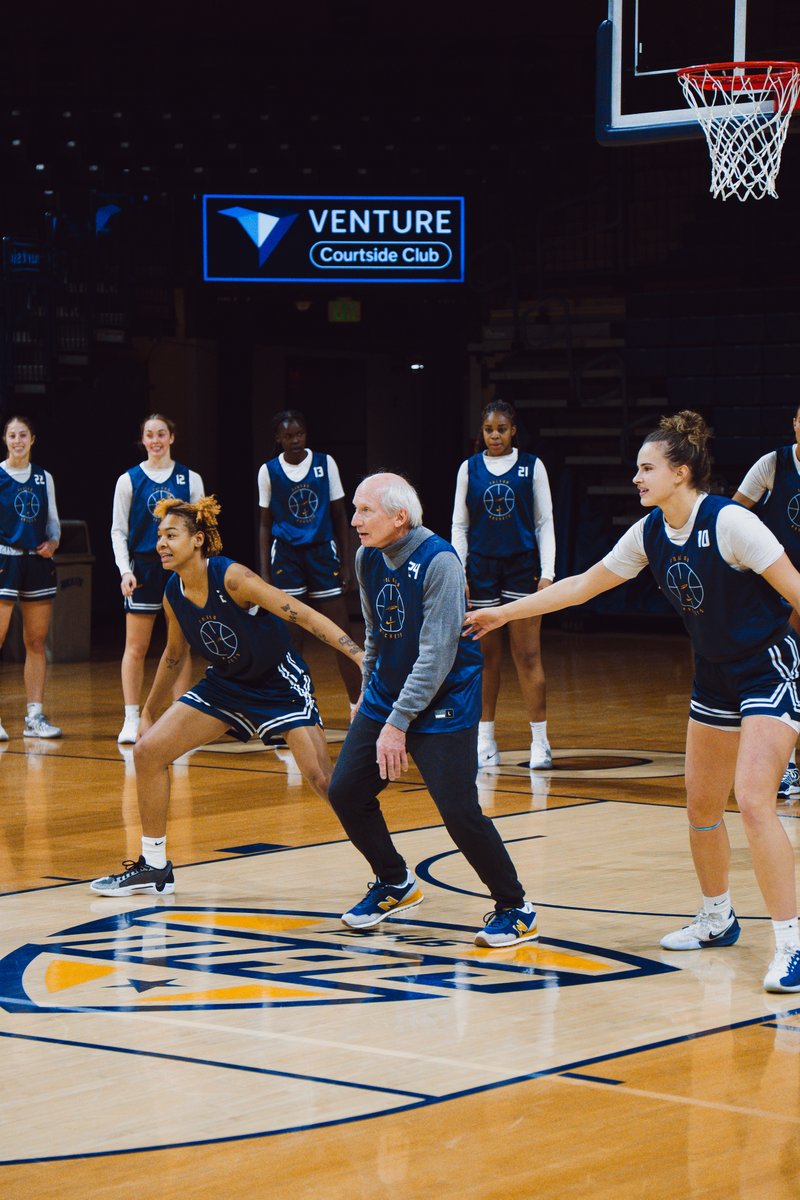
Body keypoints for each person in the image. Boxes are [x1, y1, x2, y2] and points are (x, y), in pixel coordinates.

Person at [464, 411, 800, 993]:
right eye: (637, 468)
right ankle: (717, 919)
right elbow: (580, 586)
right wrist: (505, 611)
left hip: (767, 666)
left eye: (647, 468)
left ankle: (792, 943)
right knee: (700, 807)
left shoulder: (731, 524)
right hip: (714, 676)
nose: (636, 478)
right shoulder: (648, 532)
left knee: (752, 801)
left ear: (682, 472)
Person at [91, 495, 364, 896]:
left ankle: (389, 869)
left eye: (171, 535)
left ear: (198, 540)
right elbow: (173, 655)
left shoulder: (233, 578)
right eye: (159, 536)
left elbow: (301, 614)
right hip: (228, 685)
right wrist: (147, 712)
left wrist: (358, 656)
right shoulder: (173, 592)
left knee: (323, 780)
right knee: (147, 752)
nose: (161, 544)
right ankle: (153, 865)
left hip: (278, 683)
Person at [327, 471, 537, 948]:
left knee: (459, 811)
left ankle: (516, 907)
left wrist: (397, 723)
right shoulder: (367, 558)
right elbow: (377, 634)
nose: (355, 520)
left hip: (444, 696)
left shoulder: (439, 560)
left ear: (400, 518)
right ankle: (395, 881)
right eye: (356, 509)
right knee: (346, 792)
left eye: (366, 511)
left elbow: (437, 653)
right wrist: (368, 696)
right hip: (389, 693)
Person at [451, 399, 555, 770]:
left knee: (527, 655)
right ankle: (485, 741)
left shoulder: (532, 467)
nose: (495, 435)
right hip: (480, 568)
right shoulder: (469, 468)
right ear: (482, 433)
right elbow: (460, 526)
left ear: (513, 431)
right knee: (485, 659)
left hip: (521, 567)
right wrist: (458, 569)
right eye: (488, 429)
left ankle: (540, 742)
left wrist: (548, 572)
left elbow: (545, 522)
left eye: (501, 429)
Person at [111, 414, 204, 744]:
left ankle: (179, 718)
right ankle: (132, 717)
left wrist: (197, 571)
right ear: (143, 439)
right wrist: (125, 570)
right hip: (144, 568)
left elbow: (199, 530)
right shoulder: (129, 480)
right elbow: (118, 530)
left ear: (172, 437)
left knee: (180, 646)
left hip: (179, 569)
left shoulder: (190, 479)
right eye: (149, 434)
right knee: (135, 647)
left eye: (161, 433)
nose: (155, 440)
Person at [258, 410, 362, 709]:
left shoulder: (324, 463)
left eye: (299, 434)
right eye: (288, 435)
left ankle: (358, 707)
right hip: (286, 558)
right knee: (290, 636)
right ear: (278, 438)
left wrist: (345, 561)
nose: (295, 440)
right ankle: (293, 706)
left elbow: (340, 515)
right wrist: (265, 572)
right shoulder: (268, 471)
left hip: (321, 553)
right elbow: (265, 524)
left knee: (339, 633)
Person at [733, 406, 800, 801]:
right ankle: (786, 766)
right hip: (781, 584)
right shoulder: (772, 464)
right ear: (794, 423)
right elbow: (732, 514)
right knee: (788, 676)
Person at [0, 415, 62, 739]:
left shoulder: (43, 478)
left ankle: (34, 718)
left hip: (37, 564)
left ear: (32, 439)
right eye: (12, 435)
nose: (18, 441)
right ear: (5, 440)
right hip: (5, 562)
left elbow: (53, 523)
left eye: (23, 435)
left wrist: (52, 543)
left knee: (36, 641)